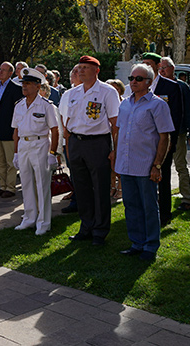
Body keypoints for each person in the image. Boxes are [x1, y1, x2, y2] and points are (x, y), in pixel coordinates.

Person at [115, 64, 175, 262]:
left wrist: (157, 165)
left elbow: (164, 136)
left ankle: (150, 245)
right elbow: (120, 132)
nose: (133, 81)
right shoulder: (124, 103)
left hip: (145, 165)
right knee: (131, 205)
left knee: (149, 206)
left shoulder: (158, 105)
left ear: (149, 82)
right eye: (132, 78)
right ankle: (136, 243)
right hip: (126, 164)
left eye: (138, 79)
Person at [64, 55, 120, 246]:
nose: (80, 71)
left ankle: (100, 230)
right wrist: (69, 145)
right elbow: (67, 122)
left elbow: (115, 124)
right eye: (79, 67)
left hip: (97, 143)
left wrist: (115, 149)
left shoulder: (107, 92)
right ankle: (86, 226)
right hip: (77, 142)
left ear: (96, 70)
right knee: (82, 188)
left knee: (100, 188)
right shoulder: (73, 93)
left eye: (85, 68)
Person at [12, 68, 60, 235]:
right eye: (23, 84)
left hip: (40, 145)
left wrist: (53, 153)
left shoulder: (46, 105)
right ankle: (29, 218)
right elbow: (16, 130)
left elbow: (55, 130)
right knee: (26, 183)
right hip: (24, 146)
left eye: (28, 84)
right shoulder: (18, 105)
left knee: (42, 184)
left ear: (38, 86)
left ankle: (44, 222)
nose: (24, 87)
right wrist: (16, 152)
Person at [139, 53, 184, 227]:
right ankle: (146, 210)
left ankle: (164, 213)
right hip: (143, 141)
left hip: (162, 141)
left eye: (149, 64)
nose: (146, 67)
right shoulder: (138, 85)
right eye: (143, 64)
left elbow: (176, 115)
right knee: (143, 176)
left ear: (158, 66)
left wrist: (171, 141)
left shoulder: (171, 87)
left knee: (162, 177)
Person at [158, 56, 190, 210]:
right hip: (158, 134)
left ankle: (186, 198)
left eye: (165, 67)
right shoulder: (155, 86)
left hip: (178, 133)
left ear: (173, 69)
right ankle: (160, 198)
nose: (162, 71)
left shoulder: (181, 86)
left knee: (180, 165)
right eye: (159, 68)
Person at [0, 61, 23, 198]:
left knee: (10, 161)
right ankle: (2, 185)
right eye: (0, 69)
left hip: (9, 130)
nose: (1, 72)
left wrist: (15, 131)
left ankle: (10, 188)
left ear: (10, 73)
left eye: (4, 70)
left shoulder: (16, 88)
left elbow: (18, 112)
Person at [58, 66, 81, 214]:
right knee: (73, 170)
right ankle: (76, 198)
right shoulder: (67, 94)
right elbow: (61, 115)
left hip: (82, 139)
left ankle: (80, 200)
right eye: (73, 72)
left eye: (76, 73)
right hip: (68, 139)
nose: (74, 75)